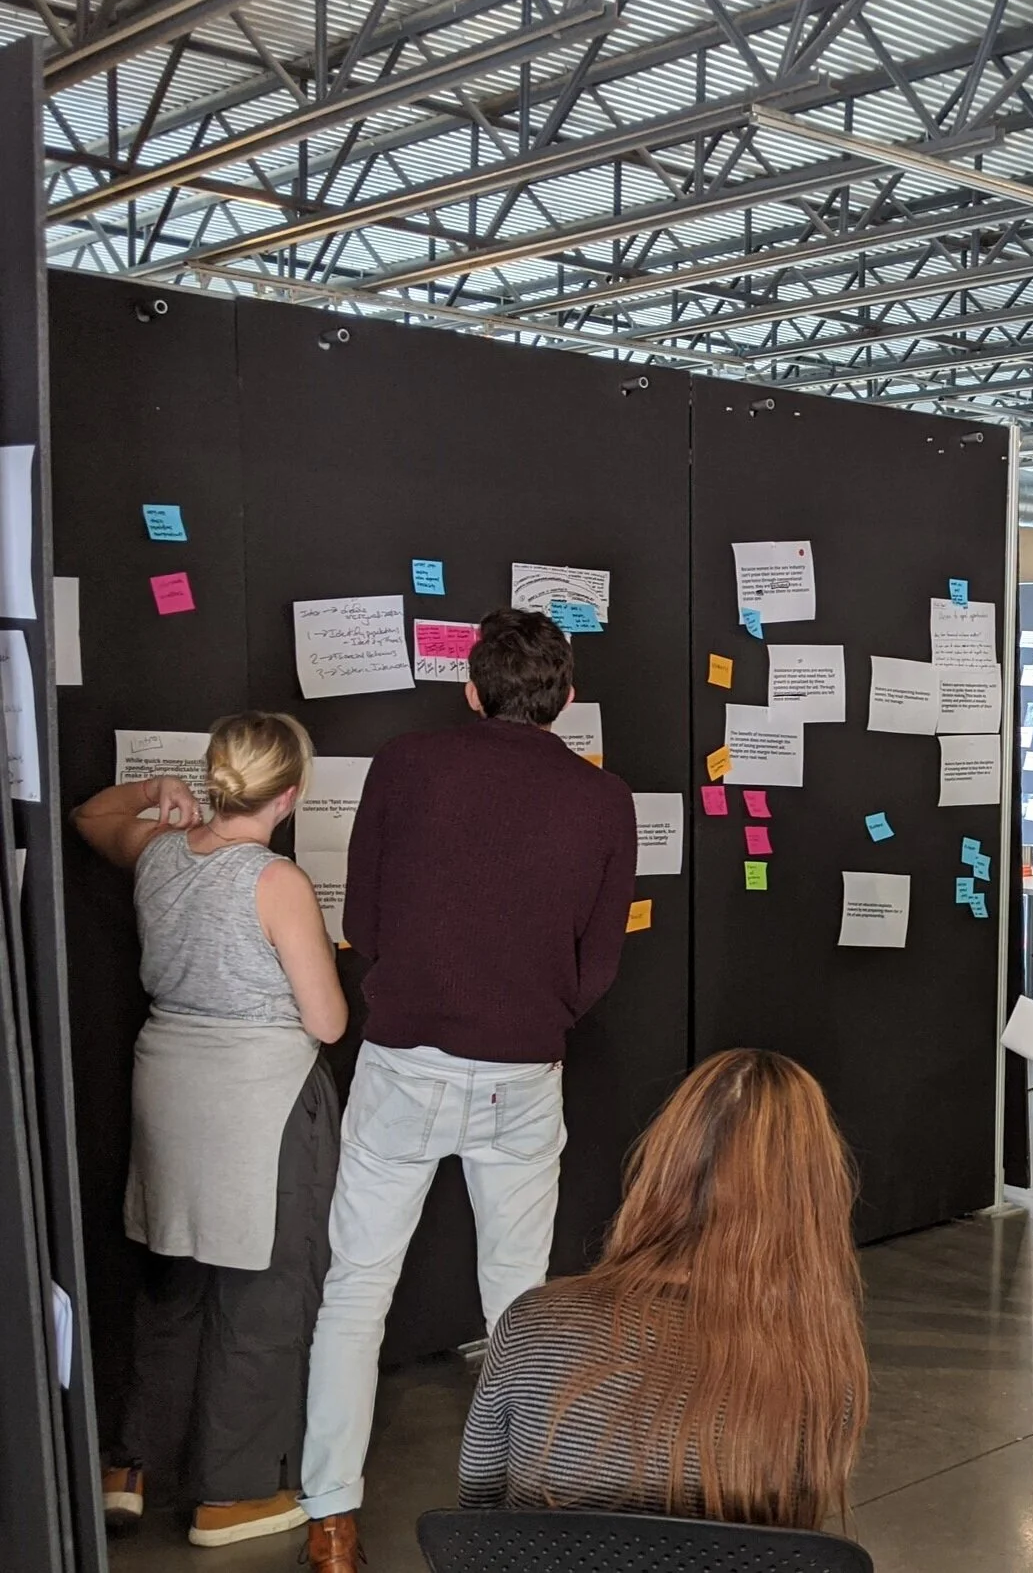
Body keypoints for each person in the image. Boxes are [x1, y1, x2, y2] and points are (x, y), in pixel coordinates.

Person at [300, 609, 638, 1572]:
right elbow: (599, 962)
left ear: (470, 688)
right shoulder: (603, 798)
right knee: (518, 1301)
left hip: (404, 1058)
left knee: (355, 1292)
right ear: (566, 698)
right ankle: (526, 1502)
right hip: (522, 1069)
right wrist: (539, 1010)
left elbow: (364, 919)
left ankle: (331, 1522)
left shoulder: (405, 764)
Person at [74, 714, 349, 1549]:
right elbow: (327, 1022)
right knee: (262, 1294)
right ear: (289, 795)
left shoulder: (158, 851)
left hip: (167, 1086)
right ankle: (233, 1494)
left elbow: (89, 816)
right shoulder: (277, 881)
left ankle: (131, 1467)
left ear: (214, 777)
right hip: (258, 1101)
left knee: (173, 1280)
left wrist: (155, 792)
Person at [458, 1049, 867, 1525]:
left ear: (661, 1165)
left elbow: (477, 1518)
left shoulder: (532, 1322)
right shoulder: (820, 1365)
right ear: (815, 1199)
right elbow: (788, 1541)